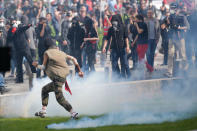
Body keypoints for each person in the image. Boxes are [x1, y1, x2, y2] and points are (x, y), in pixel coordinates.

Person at [32, 37, 83, 119]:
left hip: (57, 78)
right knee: (45, 90)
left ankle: (73, 113)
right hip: (62, 77)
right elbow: (74, 59)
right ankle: (43, 111)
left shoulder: (47, 53)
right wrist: (79, 71)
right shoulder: (61, 53)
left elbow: (43, 67)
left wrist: (36, 65)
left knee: (59, 98)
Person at [102, 14, 130, 79]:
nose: (114, 22)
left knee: (125, 63)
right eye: (113, 20)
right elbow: (107, 38)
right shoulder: (111, 29)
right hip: (114, 48)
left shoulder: (123, 27)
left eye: (116, 20)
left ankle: (129, 77)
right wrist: (104, 47)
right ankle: (117, 77)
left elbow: (126, 38)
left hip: (122, 48)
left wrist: (128, 47)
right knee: (114, 64)